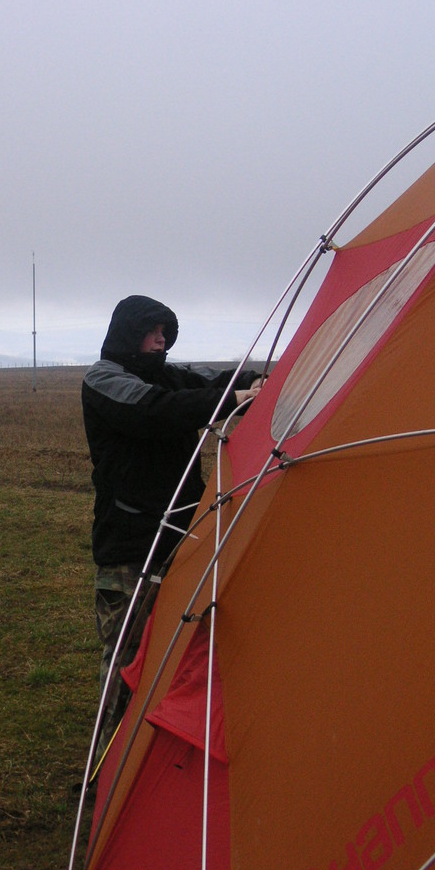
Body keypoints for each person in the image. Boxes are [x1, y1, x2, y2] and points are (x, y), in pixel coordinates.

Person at [81, 295, 261, 760]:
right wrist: (233, 401)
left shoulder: (170, 375)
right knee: (127, 662)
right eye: (153, 331)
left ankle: (158, 763)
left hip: (182, 543)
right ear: (129, 332)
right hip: (131, 550)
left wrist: (254, 383)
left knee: (180, 655)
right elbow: (156, 411)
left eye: (166, 332)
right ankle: (107, 770)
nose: (161, 340)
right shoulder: (103, 380)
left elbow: (212, 381)